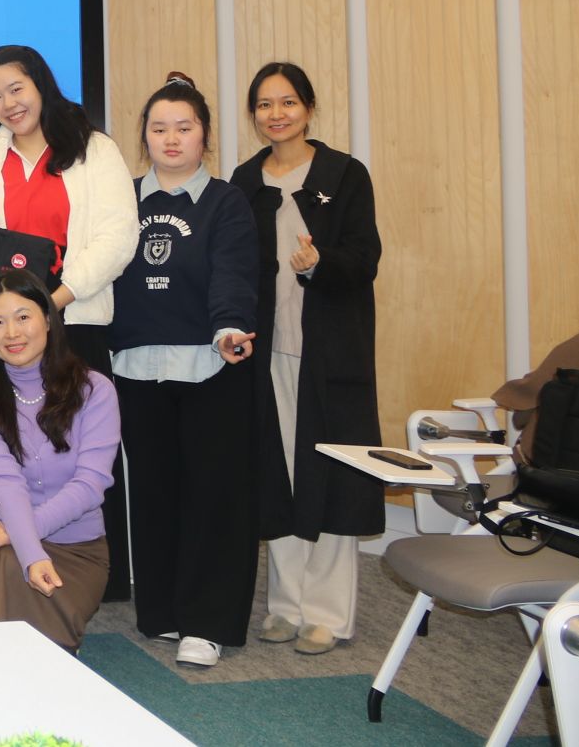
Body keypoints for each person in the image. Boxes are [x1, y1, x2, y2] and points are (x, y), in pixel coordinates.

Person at [0, 44, 136, 597]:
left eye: (16, 89)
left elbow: (118, 238)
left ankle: (83, 573)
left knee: (72, 452)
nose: (8, 103)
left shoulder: (94, 150)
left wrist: (54, 303)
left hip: (74, 322)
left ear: (41, 84)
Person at [232, 61, 383, 655]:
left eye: (288, 102)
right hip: (263, 352)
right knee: (278, 473)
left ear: (309, 108)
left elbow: (365, 257)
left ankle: (326, 614)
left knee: (330, 473)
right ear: (254, 115)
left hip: (328, 353)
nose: (277, 114)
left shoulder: (344, 174)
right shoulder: (245, 180)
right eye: (265, 105)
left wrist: (320, 263)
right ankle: (285, 604)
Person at [110, 73, 260, 666]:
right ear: (144, 137)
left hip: (208, 365)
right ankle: (164, 611)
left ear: (205, 136)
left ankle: (207, 622)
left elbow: (234, 273)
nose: (171, 139)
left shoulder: (226, 201)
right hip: (135, 367)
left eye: (184, 128)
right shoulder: (121, 198)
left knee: (212, 496)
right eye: (159, 129)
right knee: (152, 492)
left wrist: (228, 327)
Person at [0, 269, 120, 653]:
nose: (12, 333)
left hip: (77, 547)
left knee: (37, 630)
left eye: (23, 317)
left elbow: (90, 485)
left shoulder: (94, 390)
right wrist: (29, 550)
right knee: (1, 566)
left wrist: (19, 533)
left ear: (47, 319)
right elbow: (4, 482)